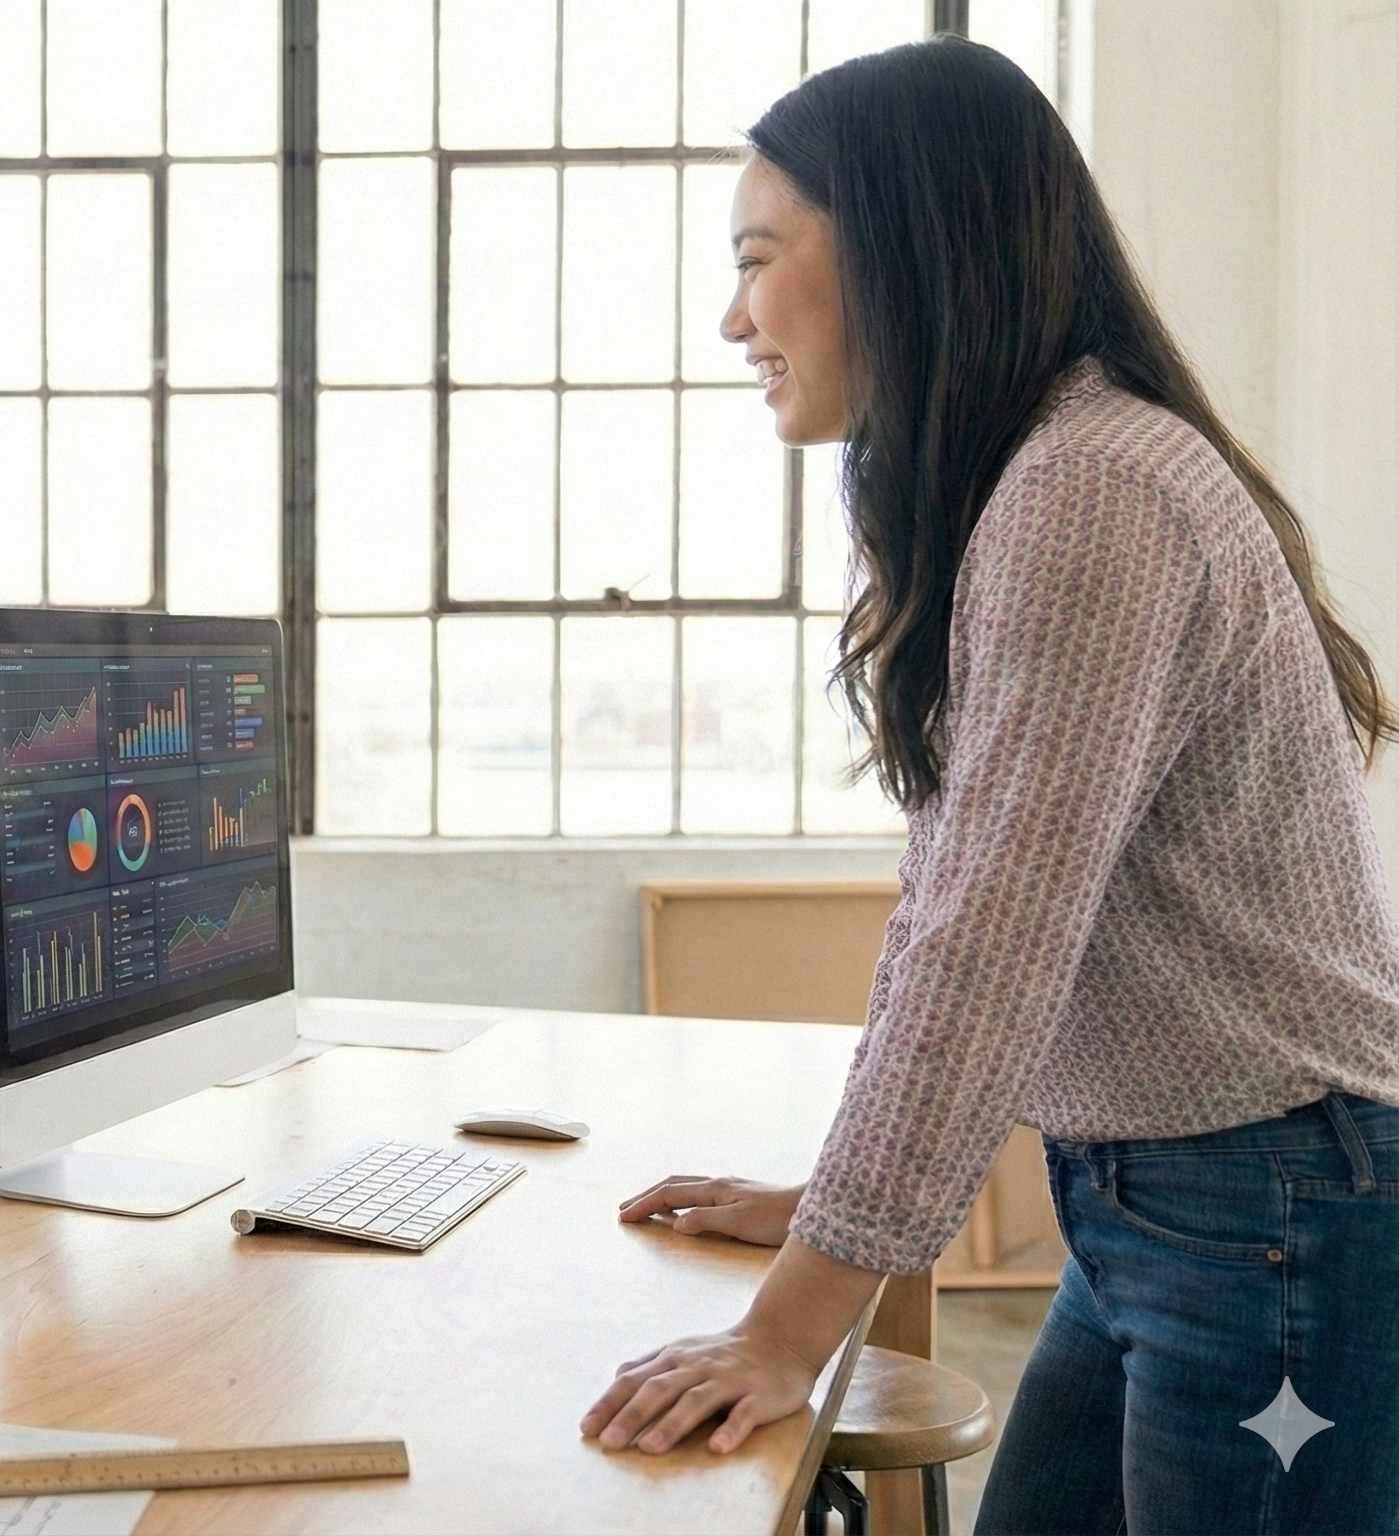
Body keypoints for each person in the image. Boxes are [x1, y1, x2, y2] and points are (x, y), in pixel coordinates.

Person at [581, 38, 1399, 1531]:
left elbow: (987, 953)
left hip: (1275, 1206)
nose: (732, 316)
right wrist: (839, 1212)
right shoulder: (1034, 482)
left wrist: (789, 1322)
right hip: (1174, 1196)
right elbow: (955, 900)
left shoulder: (1092, 490)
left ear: (898, 247)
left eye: (760, 258)